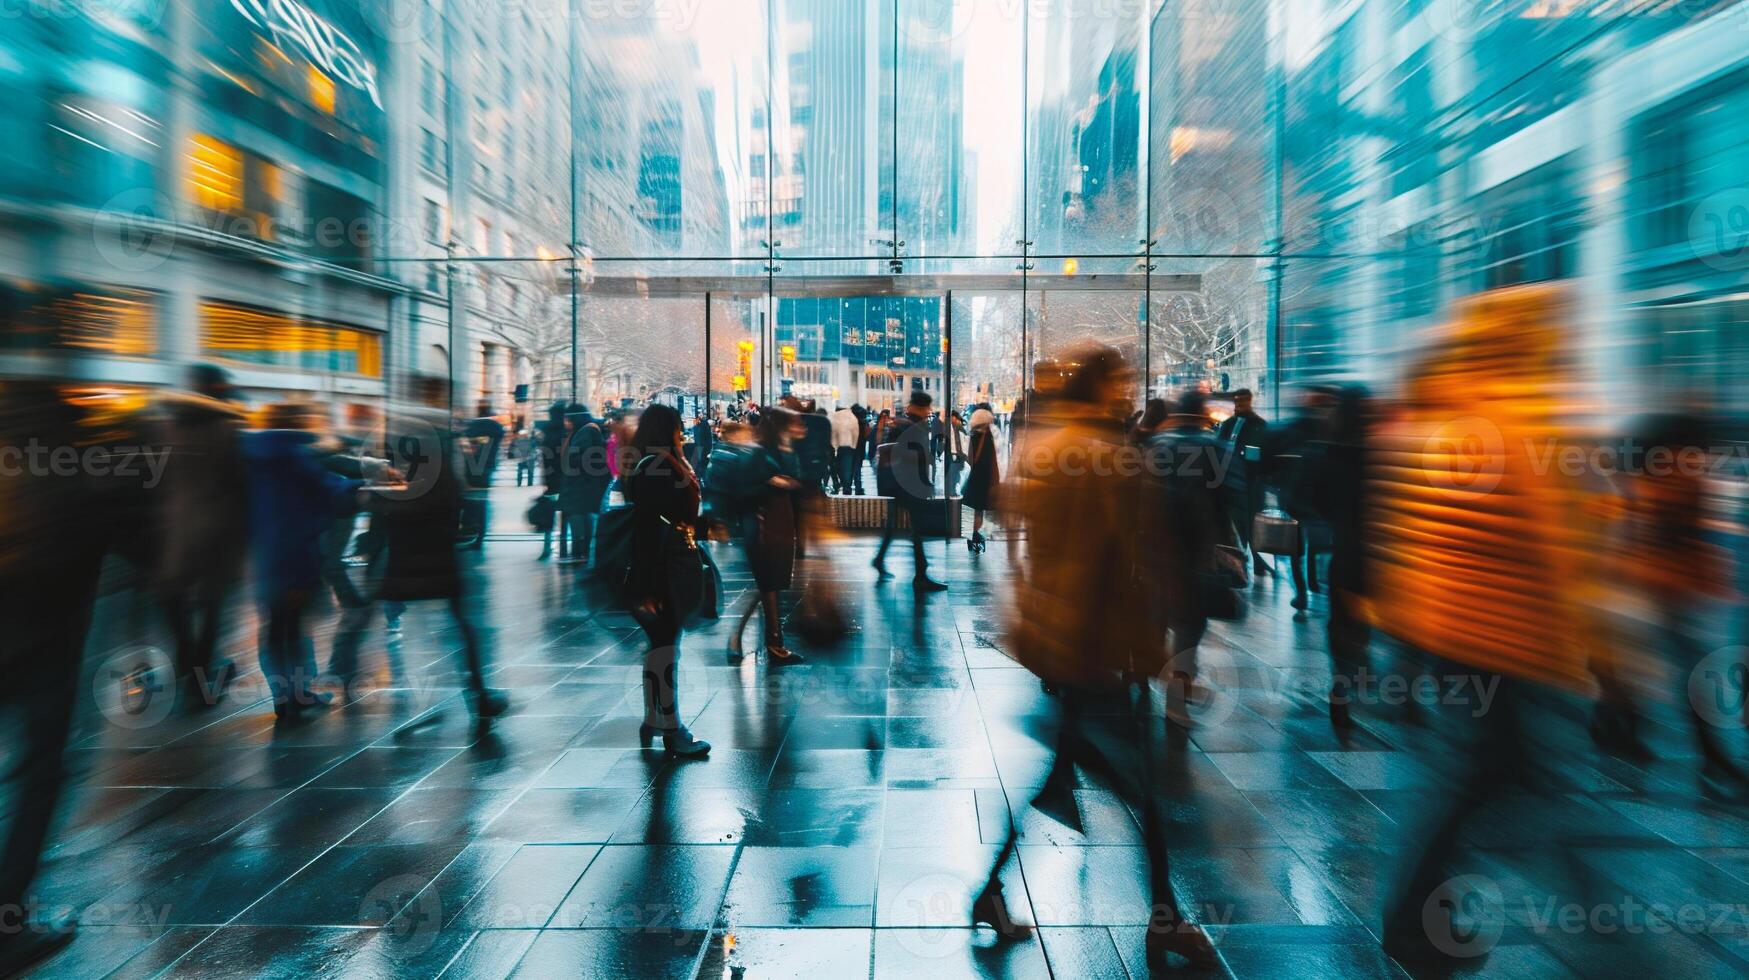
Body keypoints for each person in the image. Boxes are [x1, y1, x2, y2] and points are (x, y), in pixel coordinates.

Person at [984, 343, 1217, 970]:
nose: (1127, 392)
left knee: (1062, 775)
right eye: (1121, 382)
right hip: (1095, 646)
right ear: (1106, 386)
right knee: (1137, 791)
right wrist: (1144, 651)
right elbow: (1123, 564)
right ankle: (1164, 918)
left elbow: (1029, 546)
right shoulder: (1109, 458)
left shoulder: (1041, 447)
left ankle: (989, 892)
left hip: (1055, 639)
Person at [373, 384, 509, 722]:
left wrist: (384, 496)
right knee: (458, 623)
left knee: (448, 621)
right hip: (429, 551)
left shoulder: (426, 450)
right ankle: (476, 694)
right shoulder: (434, 449)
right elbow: (440, 499)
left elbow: (425, 499)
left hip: (420, 550)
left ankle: (473, 694)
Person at [244, 403, 364, 720]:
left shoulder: (252, 455)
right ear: (295, 421)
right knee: (294, 626)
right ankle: (298, 693)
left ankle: (283, 697)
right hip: (296, 549)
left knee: (275, 625)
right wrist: (362, 487)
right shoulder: (294, 454)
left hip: (266, 550)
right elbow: (328, 488)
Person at [151, 364, 248, 708]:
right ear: (216, 388)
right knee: (212, 605)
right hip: (219, 526)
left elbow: (150, 478)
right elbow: (241, 481)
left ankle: (187, 658)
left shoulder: (164, 426)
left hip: (175, 524)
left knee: (173, 595)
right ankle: (197, 676)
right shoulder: (230, 427)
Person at [622, 404, 711, 758]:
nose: (682, 432)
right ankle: (672, 730)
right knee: (665, 649)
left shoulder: (655, 462)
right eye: (677, 427)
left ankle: (654, 719)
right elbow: (649, 530)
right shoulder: (658, 467)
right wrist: (646, 589)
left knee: (660, 648)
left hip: (664, 567)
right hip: (662, 571)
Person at [1304, 385, 1372, 731]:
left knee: (1343, 627)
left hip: (1344, 555)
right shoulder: (1378, 456)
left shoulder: (1326, 454)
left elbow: (1311, 499)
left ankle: (1342, 690)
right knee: (1363, 628)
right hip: (1379, 558)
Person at [721, 408, 807, 665]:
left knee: (770, 584)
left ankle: (759, 640)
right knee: (768, 584)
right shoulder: (759, 453)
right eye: (793, 423)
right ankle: (771, 643)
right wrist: (773, 483)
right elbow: (744, 491)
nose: (798, 427)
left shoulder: (780, 450)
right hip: (763, 524)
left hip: (777, 523)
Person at [873, 390, 947, 592]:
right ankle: (920, 574)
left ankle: (881, 560)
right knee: (916, 529)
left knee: (897, 526)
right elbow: (911, 457)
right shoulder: (909, 426)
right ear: (917, 407)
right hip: (907, 485)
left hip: (901, 484)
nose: (928, 411)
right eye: (926, 407)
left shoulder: (906, 424)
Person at [1217, 388, 1272, 576]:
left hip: (1251, 481)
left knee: (1249, 523)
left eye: (1242, 401)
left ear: (1249, 401)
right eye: (1237, 401)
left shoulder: (1257, 425)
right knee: (1240, 524)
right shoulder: (1230, 425)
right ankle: (1250, 561)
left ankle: (1253, 560)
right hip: (1237, 482)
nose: (1239, 405)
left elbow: (1264, 453)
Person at [558, 405, 610, 566]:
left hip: (580, 487)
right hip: (581, 486)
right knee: (582, 519)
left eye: (568, 419)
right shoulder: (585, 431)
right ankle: (580, 552)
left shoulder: (586, 432)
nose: (566, 423)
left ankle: (580, 553)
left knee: (580, 520)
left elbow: (583, 458)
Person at [460, 403, 505, 549]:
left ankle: (472, 535)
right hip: (486, 471)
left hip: (474, 472)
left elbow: (466, 439)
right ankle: (479, 537)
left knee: (474, 504)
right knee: (481, 505)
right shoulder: (495, 428)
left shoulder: (474, 428)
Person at [962, 408, 1000, 554]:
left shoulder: (972, 437)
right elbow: (993, 462)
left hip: (974, 478)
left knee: (975, 510)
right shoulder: (987, 438)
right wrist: (995, 481)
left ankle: (973, 539)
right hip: (984, 479)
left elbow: (969, 459)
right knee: (979, 511)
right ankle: (976, 539)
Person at [537, 401, 569, 560]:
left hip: (550, 478)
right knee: (566, 512)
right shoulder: (567, 433)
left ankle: (546, 547)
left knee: (549, 512)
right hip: (566, 477)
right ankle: (563, 546)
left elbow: (544, 458)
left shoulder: (547, 432)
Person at [829, 403, 859, 495]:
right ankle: (847, 488)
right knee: (848, 469)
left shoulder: (835, 417)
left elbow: (832, 432)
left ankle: (841, 485)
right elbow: (855, 432)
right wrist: (854, 445)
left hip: (839, 447)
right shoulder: (852, 417)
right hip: (850, 447)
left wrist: (833, 445)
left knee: (838, 467)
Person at [850, 403, 871, 494]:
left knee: (851, 467)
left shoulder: (850, 421)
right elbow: (867, 434)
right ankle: (858, 487)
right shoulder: (863, 421)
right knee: (858, 467)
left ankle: (848, 486)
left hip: (850, 445)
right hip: (860, 444)